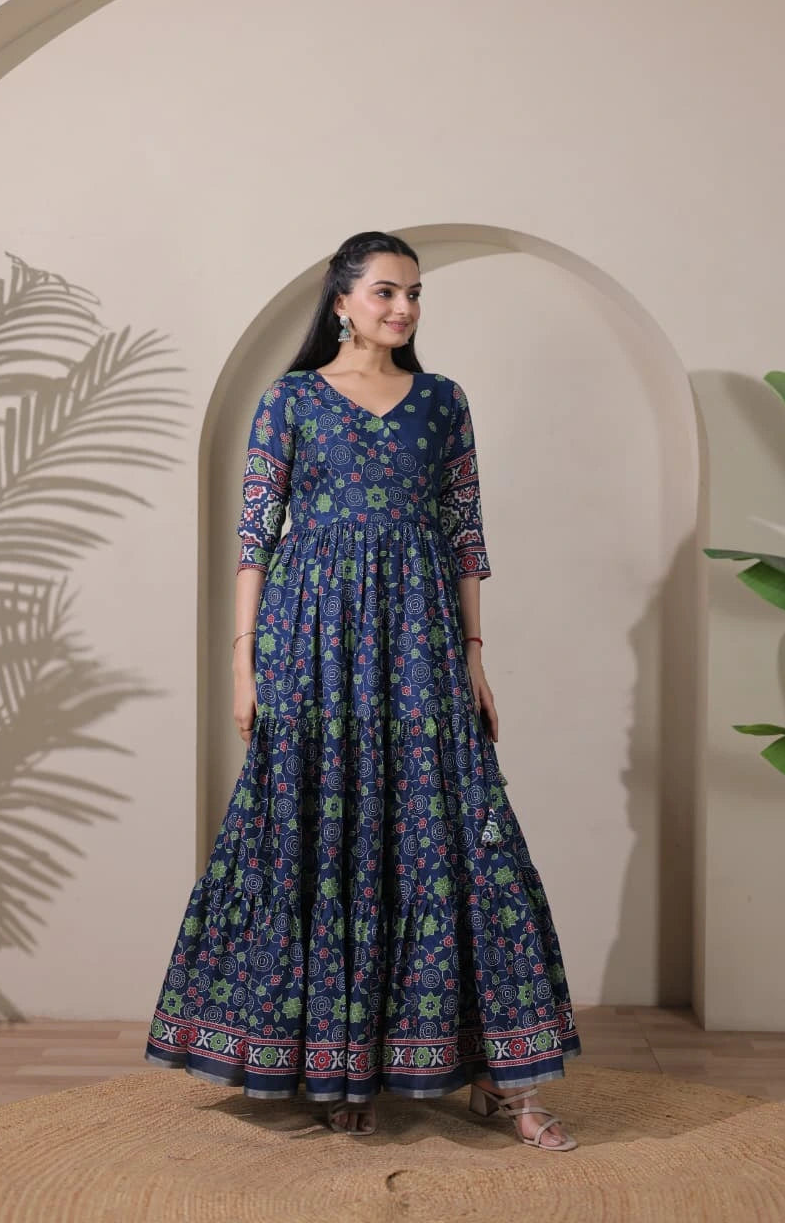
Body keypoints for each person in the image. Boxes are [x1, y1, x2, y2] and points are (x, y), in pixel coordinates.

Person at [145, 230, 581, 1149]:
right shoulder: (292, 401)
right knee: (323, 829)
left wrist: (471, 653)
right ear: (340, 301)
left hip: (418, 637)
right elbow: (255, 532)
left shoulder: (442, 403)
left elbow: (466, 534)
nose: (404, 310)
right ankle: (338, 1067)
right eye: (386, 293)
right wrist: (242, 658)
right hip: (309, 639)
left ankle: (501, 1082)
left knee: (452, 829)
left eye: (414, 295)